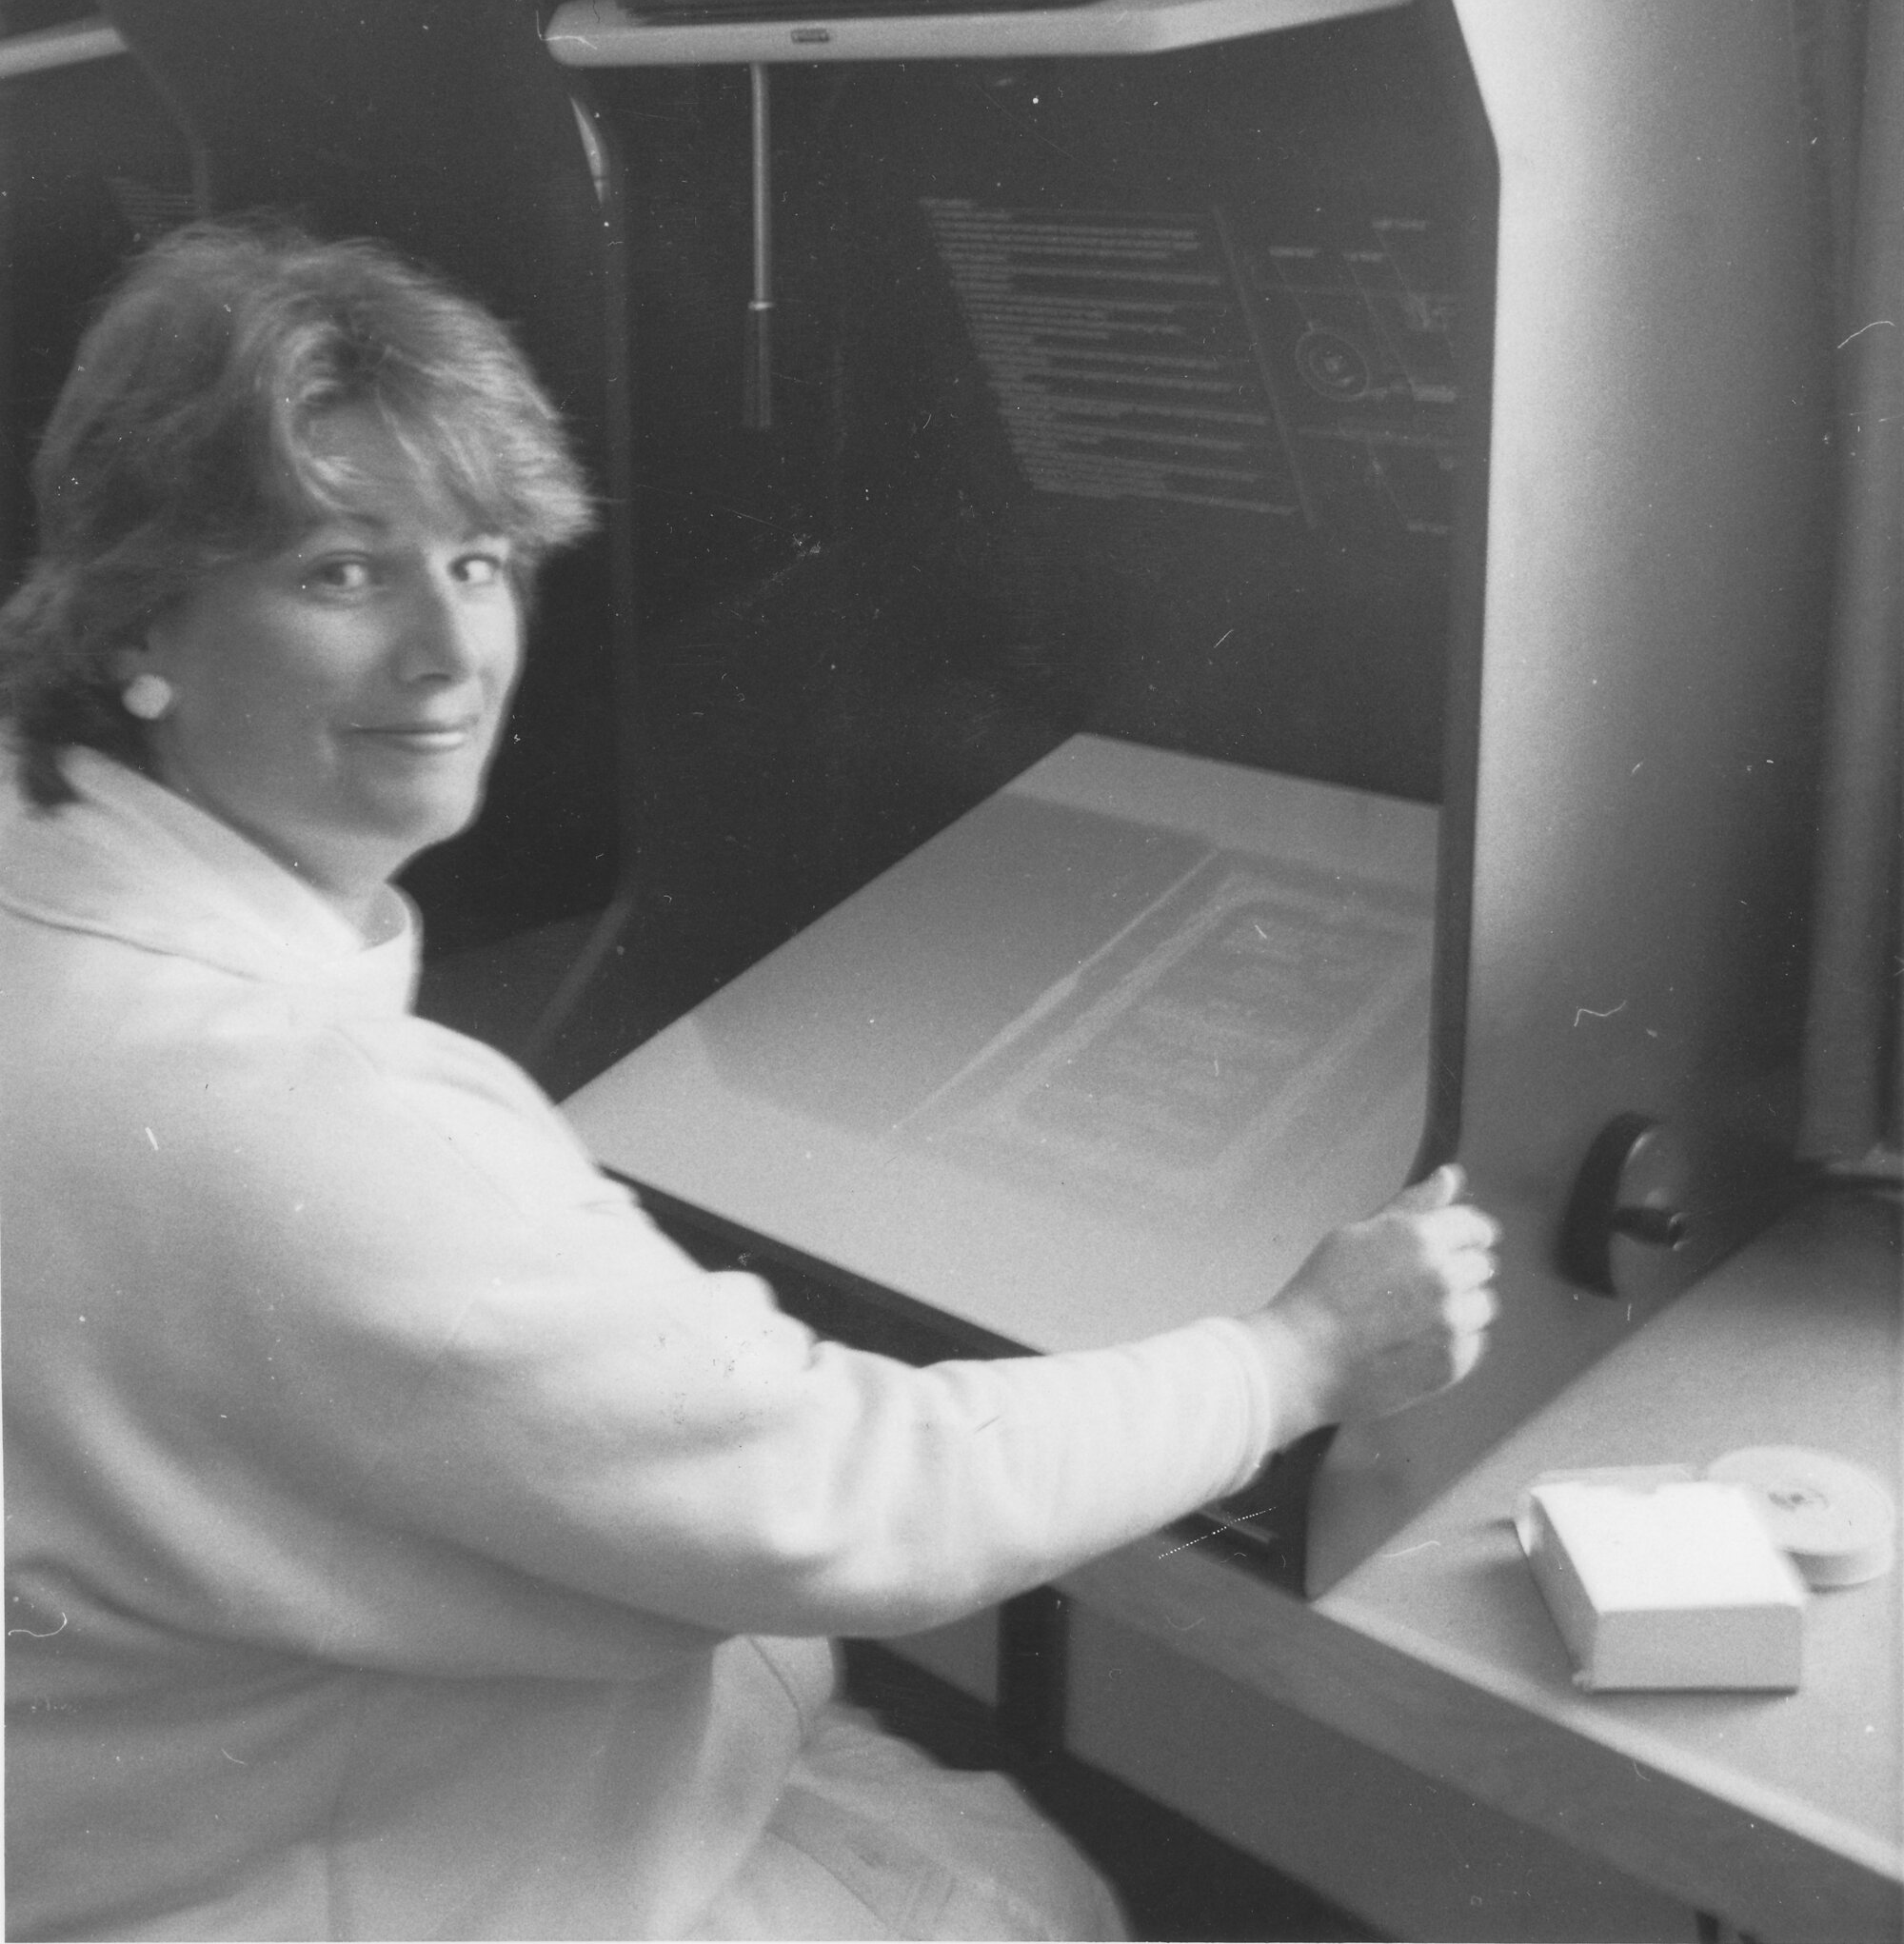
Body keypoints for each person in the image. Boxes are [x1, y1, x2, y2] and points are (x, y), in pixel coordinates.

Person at [0, 220, 1499, 1943]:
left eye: (480, 561)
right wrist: (1299, 1351)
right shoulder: (292, 1113)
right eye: (340, 573)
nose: (447, 653)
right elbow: (861, 1505)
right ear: (138, 625)